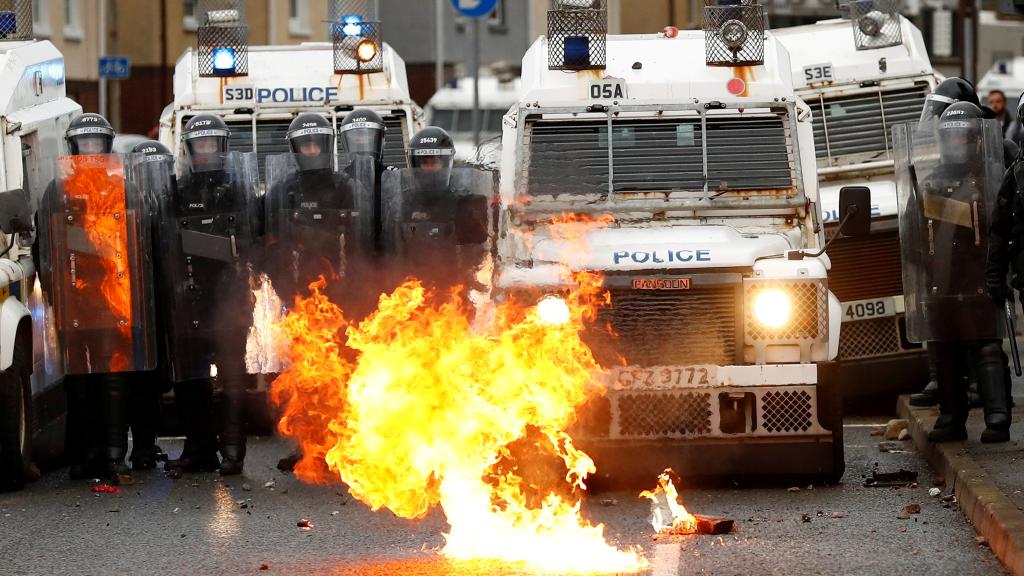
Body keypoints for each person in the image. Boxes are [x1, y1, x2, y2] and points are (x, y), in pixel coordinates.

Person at [35, 113, 157, 479]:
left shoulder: (125, 189)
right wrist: (56, 294)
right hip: (75, 301)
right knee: (80, 381)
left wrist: (133, 297)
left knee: (114, 379)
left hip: (114, 300)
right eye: (83, 144)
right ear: (72, 147)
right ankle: (88, 451)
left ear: (107, 146)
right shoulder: (57, 193)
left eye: (96, 144)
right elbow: (47, 250)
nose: (89, 152)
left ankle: (115, 452)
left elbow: (139, 247)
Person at [899, 102, 1009, 443]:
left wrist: (997, 272)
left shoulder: (990, 178)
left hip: (978, 278)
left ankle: (998, 415)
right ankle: (951, 417)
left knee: (986, 347)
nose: (955, 145)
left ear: (976, 140)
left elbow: (1002, 227)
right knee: (946, 350)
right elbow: (913, 232)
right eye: (950, 139)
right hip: (943, 283)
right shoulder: (932, 183)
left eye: (962, 138)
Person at [158, 114, 258, 475]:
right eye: (198, 145)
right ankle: (199, 450)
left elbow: (253, 240)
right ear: (188, 149)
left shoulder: (239, 190)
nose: (204, 151)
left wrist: (227, 250)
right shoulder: (177, 190)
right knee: (191, 377)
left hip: (230, 298)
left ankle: (233, 450)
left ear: (222, 147)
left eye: (210, 144)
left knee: (232, 376)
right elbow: (164, 242)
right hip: (188, 295)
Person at [271, 113, 364, 473]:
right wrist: (282, 286)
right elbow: (271, 242)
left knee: (342, 373)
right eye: (304, 144)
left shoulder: (345, 187)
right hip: (298, 296)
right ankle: (307, 445)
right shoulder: (283, 190)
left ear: (327, 146)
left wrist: (355, 288)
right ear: (295, 149)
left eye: (316, 144)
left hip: (340, 295)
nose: (311, 150)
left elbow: (358, 244)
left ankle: (343, 446)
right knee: (302, 377)